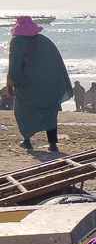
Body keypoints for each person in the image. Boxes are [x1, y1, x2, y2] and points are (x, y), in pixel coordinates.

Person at [6, 16, 73, 152]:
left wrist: (10, 83)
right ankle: (53, 144)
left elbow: (14, 65)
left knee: (23, 110)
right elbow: (57, 63)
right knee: (50, 111)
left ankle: (27, 140)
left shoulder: (16, 41)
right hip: (49, 83)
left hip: (28, 84)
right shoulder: (45, 41)